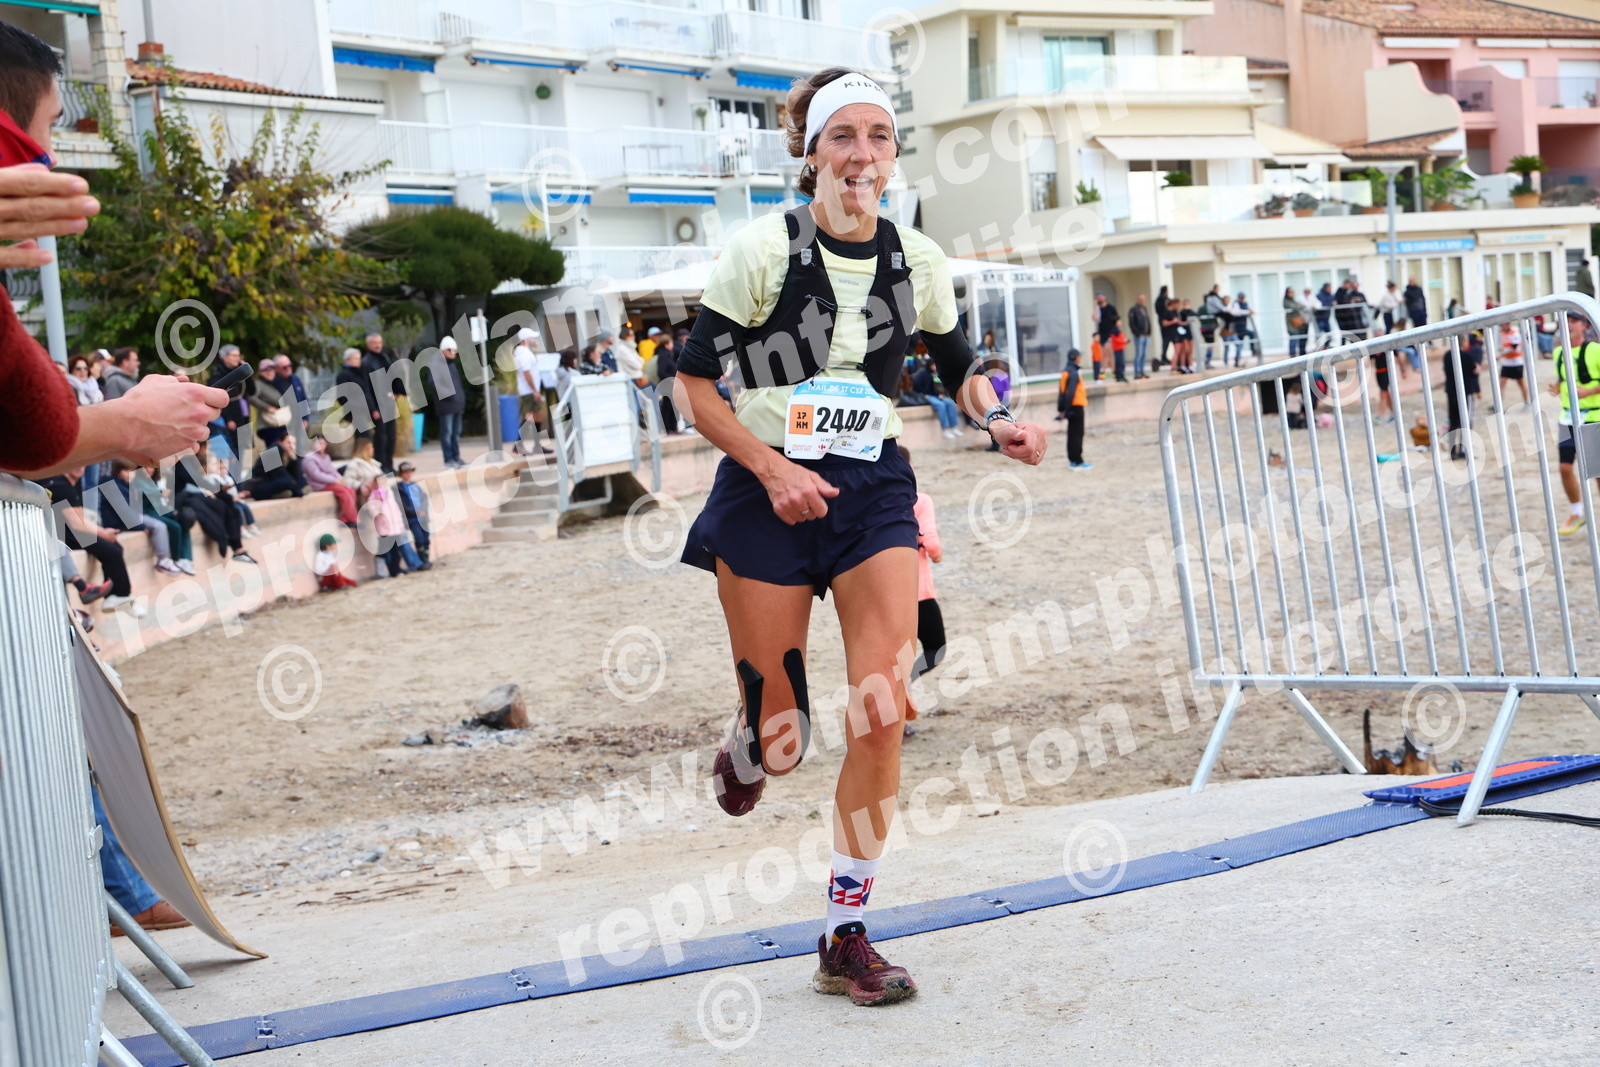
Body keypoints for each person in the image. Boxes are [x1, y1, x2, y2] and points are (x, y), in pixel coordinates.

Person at [672, 66, 1046, 1007]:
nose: (863, 155)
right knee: (785, 741)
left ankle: (845, 934)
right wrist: (772, 469)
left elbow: (959, 364)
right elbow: (695, 388)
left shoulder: (917, 258)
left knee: (880, 710)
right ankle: (752, 736)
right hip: (765, 489)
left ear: (893, 155)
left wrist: (998, 418)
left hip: (873, 487)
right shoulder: (763, 250)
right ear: (811, 153)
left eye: (879, 137)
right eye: (844, 136)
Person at [37, 466, 141, 615]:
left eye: (82, 464)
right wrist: (103, 532)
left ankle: (117, 596)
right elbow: (77, 522)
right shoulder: (61, 485)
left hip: (69, 532)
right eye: (74, 464)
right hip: (64, 535)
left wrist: (103, 533)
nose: (79, 468)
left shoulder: (72, 483)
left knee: (114, 548)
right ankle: (116, 596)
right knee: (111, 550)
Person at [899, 446, 945, 686]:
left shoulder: (871, 505)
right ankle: (906, 684)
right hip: (917, 592)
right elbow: (931, 542)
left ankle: (896, 692)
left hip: (878, 594)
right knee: (935, 649)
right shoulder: (920, 501)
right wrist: (936, 556)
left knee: (892, 655)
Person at [1551, 314, 1600, 535]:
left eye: (1573, 321)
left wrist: (1590, 391)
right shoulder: (1559, 353)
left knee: (1597, 471)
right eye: (1566, 320)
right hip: (1568, 417)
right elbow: (1562, 379)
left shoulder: (1595, 350)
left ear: (1584, 325)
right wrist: (1556, 388)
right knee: (1564, 467)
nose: (1569, 325)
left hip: (1593, 416)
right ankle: (1577, 512)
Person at [98, 459, 189, 575]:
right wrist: (142, 527)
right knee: (159, 526)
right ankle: (164, 561)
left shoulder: (128, 484)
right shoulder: (114, 485)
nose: (130, 474)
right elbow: (125, 513)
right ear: (118, 472)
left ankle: (171, 560)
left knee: (169, 524)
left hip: (135, 516)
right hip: (118, 522)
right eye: (126, 471)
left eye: (132, 471)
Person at [172, 442, 253, 563]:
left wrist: (220, 489)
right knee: (217, 506)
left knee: (229, 502)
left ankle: (237, 547)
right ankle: (225, 540)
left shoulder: (194, 459)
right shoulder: (185, 461)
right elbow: (196, 480)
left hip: (198, 492)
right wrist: (218, 488)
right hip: (185, 497)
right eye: (206, 448)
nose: (207, 451)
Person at [361, 331, 404, 472]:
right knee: (381, 438)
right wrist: (372, 408)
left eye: (379, 342)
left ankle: (389, 465)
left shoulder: (385, 358)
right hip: (377, 406)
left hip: (388, 403)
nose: (378, 345)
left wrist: (398, 391)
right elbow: (366, 388)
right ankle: (381, 466)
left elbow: (393, 375)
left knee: (391, 437)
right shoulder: (366, 362)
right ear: (368, 345)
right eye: (374, 343)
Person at [424, 336, 468, 468]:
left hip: (456, 404)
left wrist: (459, 398)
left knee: (455, 433)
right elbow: (433, 383)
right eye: (450, 350)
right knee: (447, 433)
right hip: (446, 405)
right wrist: (449, 395)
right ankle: (449, 459)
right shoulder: (436, 364)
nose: (453, 353)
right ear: (443, 350)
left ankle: (456, 457)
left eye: (454, 351)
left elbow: (456, 384)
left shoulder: (451, 364)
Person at [302, 434, 358, 526]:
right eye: (318, 443)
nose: (321, 446)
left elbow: (332, 471)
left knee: (350, 490)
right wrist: (335, 480)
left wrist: (340, 479)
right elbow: (317, 475)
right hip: (319, 485)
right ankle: (353, 519)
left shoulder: (326, 457)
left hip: (330, 483)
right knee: (344, 491)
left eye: (323, 443)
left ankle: (345, 518)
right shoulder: (309, 459)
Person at [511, 327, 551, 455]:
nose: (534, 339)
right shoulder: (523, 353)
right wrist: (534, 390)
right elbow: (526, 372)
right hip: (528, 390)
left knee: (537, 415)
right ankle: (519, 445)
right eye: (532, 337)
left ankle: (536, 445)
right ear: (526, 339)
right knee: (529, 416)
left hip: (531, 390)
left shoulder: (525, 352)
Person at [239, 436, 305, 501]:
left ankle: (293, 493)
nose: (291, 446)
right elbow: (281, 475)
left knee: (302, 481)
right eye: (288, 443)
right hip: (258, 487)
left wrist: (294, 460)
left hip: (271, 483)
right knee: (287, 482)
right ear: (280, 442)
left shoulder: (287, 454)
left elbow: (297, 475)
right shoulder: (272, 452)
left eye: (294, 444)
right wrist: (298, 491)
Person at [334, 347, 377, 444]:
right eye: (356, 358)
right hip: (354, 413)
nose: (359, 361)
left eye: (359, 358)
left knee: (372, 438)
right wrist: (357, 407)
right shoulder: (343, 375)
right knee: (365, 439)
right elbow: (342, 397)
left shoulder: (360, 374)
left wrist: (372, 409)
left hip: (365, 412)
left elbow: (366, 393)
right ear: (348, 360)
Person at [247, 357, 289, 452]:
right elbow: (251, 397)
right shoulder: (259, 384)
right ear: (261, 372)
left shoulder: (275, 384)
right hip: (267, 424)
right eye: (266, 370)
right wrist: (267, 407)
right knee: (274, 452)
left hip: (279, 424)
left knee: (282, 452)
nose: (270, 372)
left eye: (272, 369)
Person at [913, 356, 961, 437]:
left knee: (950, 403)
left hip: (935, 395)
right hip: (926, 396)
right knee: (940, 405)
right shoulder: (922, 373)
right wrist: (923, 394)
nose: (935, 366)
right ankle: (945, 429)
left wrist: (939, 394)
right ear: (930, 365)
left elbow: (937, 387)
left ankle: (954, 428)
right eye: (934, 365)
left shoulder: (935, 373)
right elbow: (916, 385)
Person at [395, 461, 432, 567]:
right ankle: (422, 560)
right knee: (419, 538)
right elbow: (402, 504)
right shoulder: (399, 487)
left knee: (426, 538)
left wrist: (424, 510)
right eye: (405, 472)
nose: (408, 474)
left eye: (409, 472)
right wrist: (415, 512)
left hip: (422, 517)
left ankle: (426, 558)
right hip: (412, 518)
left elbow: (424, 498)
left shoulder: (415, 485)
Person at [1058, 347, 1090, 468]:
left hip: (1070, 406)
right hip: (1075, 406)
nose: (1080, 358)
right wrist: (1067, 409)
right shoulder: (1073, 372)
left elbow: (1062, 393)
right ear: (1075, 358)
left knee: (1072, 434)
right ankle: (1078, 460)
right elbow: (1071, 392)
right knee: (1077, 434)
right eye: (1079, 356)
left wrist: (1061, 409)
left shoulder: (1065, 372)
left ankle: (1073, 460)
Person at [1496, 323, 1530, 409]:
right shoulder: (1502, 334)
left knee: (1521, 383)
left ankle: (1526, 402)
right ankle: (1499, 405)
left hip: (1516, 362)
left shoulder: (1515, 333)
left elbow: (1514, 349)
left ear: (1507, 324)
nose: (1501, 326)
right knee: (1502, 383)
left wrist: (1500, 355)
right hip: (1506, 363)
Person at [274, 354, 310, 433]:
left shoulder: (296, 379)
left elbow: (303, 399)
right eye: (284, 367)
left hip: (300, 423)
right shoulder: (275, 383)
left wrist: (305, 419)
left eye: (289, 365)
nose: (288, 369)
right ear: (277, 368)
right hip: (285, 425)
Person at [655, 330, 681, 433]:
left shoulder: (670, 354)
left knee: (673, 406)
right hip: (667, 385)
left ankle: (673, 427)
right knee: (668, 407)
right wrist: (671, 379)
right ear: (666, 344)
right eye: (671, 343)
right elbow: (661, 372)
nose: (672, 345)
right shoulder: (663, 356)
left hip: (671, 384)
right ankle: (668, 428)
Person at [1128, 293, 1151, 380]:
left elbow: (1147, 320)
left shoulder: (1144, 309)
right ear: (1137, 300)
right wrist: (1137, 333)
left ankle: (1142, 371)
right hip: (1139, 336)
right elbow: (1131, 323)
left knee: (1144, 354)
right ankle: (1137, 372)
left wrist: (1149, 331)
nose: (1142, 301)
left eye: (1143, 299)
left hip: (1146, 335)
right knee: (1139, 354)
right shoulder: (1133, 310)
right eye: (1140, 299)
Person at [1284, 286, 1309, 357]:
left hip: (1297, 322)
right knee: (1293, 338)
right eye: (1290, 292)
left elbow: (1300, 305)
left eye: (1292, 292)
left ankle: (1300, 353)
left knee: (1299, 337)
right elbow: (1294, 307)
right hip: (1291, 323)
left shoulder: (1293, 300)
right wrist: (1298, 307)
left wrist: (1298, 306)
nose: (1292, 294)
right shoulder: (1286, 301)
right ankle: (1292, 354)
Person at [1153, 285, 1172, 368]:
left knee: (1165, 340)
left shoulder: (1158, 299)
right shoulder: (1164, 299)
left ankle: (1164, 356)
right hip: (1165, 321)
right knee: (1166, 339)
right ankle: (1164, 357)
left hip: (1161, 320)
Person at [1313, 282, 1335, 347]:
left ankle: (1325, 347)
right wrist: (1331, 304)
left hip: (1326, 318)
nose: (1331, 289)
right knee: (1319, 335)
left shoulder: (1329, 295)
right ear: (1326, 288)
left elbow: (1334, 300)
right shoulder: (1319, 295)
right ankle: (1318, 347)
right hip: (1320, 318)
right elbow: (1322, 304)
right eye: (1330, 288)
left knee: (1329, 334)